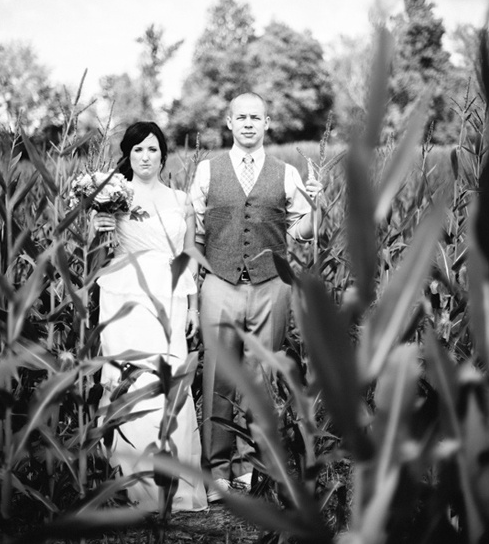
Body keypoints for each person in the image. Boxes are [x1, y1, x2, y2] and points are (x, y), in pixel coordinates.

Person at [190, 93, 322, 504]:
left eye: (256, 117)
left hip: (272, 284)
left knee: (260, 377)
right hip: (219, 281)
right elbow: (193, 230)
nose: (248, 123)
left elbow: (303, 232)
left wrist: (314, 207)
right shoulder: (207, 171)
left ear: (268, 124)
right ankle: (217, 474)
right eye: (241, 117)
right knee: (218, 376)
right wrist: (195, 286)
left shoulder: (286, 173)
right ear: (229, 123)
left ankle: (249, 473)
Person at [95, 121, 207, 513]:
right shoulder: (114, 197)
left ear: (163, 154)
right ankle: (130, 483)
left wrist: (193, 307)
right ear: (128, 155)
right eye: (137, 150)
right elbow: (99, 248)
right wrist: (98, 226)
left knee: (167, 378)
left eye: (153, 149)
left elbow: (190, 257)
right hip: (126, 294)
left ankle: (171, 484)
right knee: (130, 378)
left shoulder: (181, 200)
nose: (145, 157)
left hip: (171, 295)